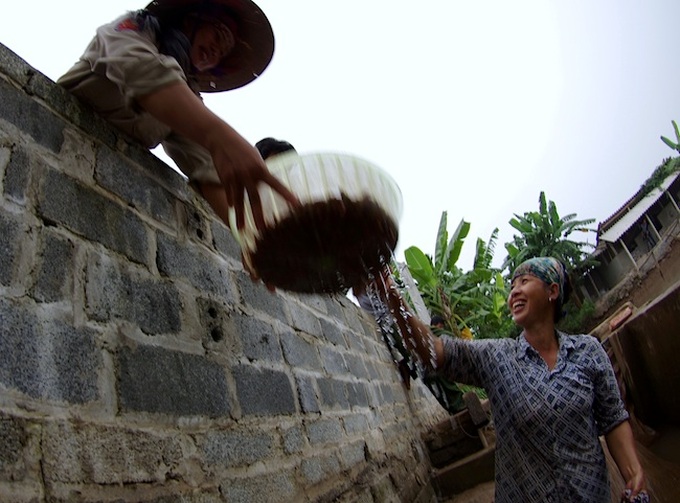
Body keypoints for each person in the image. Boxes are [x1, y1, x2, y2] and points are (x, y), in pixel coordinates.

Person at [372, 257, 647, 503]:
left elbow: (612, 418)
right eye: (512, 285)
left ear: (553, 291)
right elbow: (434, 351)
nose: (514, 290)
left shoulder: (588, 352)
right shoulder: (497, 357)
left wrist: (632, 473)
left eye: (525, 281)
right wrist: (390, 292)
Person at [57, 0, 298, 233]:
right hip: (60, 134)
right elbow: (140, 69)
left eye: (222, 53)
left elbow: (206, 167)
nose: (215, 52)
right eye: (216, 36)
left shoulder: (188, 96)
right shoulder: (137, 27)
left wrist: (252, 238)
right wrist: (221, 137)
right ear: (191, 21)